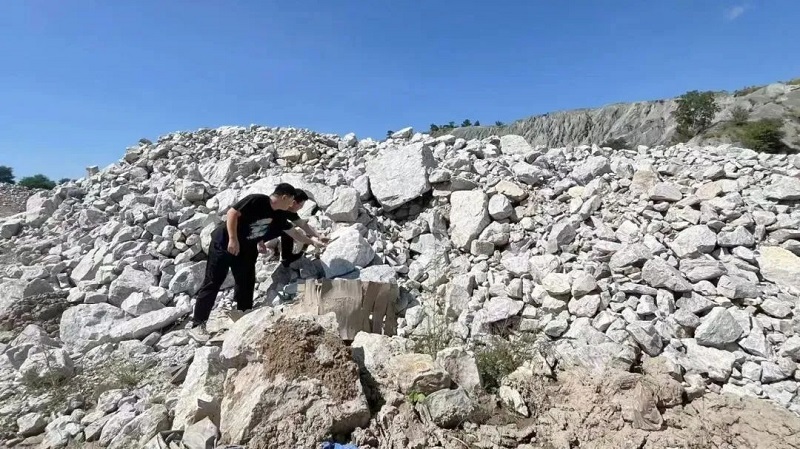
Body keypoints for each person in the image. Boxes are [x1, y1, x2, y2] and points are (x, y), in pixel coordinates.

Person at [188, 183, 326, 334]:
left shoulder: (280, 215)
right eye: (291, 200)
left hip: (246, 249)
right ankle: (198, 324)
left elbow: (295, 233)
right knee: (213, 282)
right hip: (223, 244)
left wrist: (313, 241)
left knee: (247, 282)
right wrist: (233, 239)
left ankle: (243, 316)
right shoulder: (257, 200)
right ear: (284, 197)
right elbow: (232, 213)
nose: (292, 204)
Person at [258, 189, 329, 267]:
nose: (301, 208)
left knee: (286, 231)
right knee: (287, 230)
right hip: (254, 237)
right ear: (294, 203)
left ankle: (287, 258)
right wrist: (313, 242)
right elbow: (296, 234)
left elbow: (303, 224)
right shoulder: (280, 213)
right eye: (301, 205)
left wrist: (319, 236)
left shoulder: (289, 210)